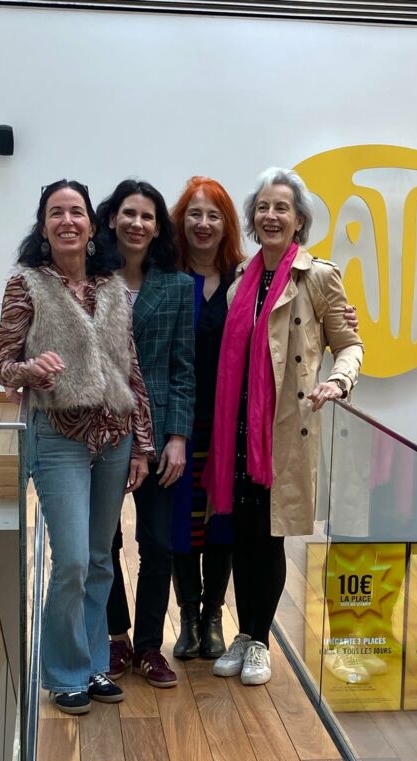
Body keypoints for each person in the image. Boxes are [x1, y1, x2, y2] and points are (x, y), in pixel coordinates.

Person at [0, 179, 155, 714]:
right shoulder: (26, 285)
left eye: (76, 212)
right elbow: (1, 363)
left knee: (101, 560)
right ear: (44, 227)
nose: (67, 221)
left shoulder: (113, 287)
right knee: (73, 562)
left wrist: (141, 446)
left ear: (91, 225)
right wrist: (29, 371)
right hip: (58, 436)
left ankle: (91, 665)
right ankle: (63, 672)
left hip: (115, 437)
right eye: (56, 213)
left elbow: (131, 370)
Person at [204, 167, 363, 686]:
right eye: (263, 207)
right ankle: (245, 634)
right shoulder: (240, 280)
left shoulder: (318, 277)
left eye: (282, 208)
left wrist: (337, 381)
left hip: (283, 429)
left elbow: (350, 344)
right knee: (241, 536)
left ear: (299, 220)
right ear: (253, 218)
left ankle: (259, 641)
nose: (271, 216)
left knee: (269, 537)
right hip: (236, 430)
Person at [98, 180, 196, 687]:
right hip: (101, 428)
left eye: (148, 216)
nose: (137, 223)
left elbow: (183, 368)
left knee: (158, 542)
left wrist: (178, 436)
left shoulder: (176, 286)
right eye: (129, 213)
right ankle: (116, 636)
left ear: (158, 228)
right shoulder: (91, 280)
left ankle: (150, 646)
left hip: (158, 435)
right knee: (105, 540)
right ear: (111, 219)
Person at [167, 177, 244, 661]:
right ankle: (188, 617)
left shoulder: (244, 280)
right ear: (182, 221)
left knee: (222, 522)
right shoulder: (167, 277)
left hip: (229, 423)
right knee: (183, 522)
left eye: (213, 215)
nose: (203, 223)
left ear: (226, 224)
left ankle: (214, 614)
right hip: (180, 423)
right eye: (194, 214)